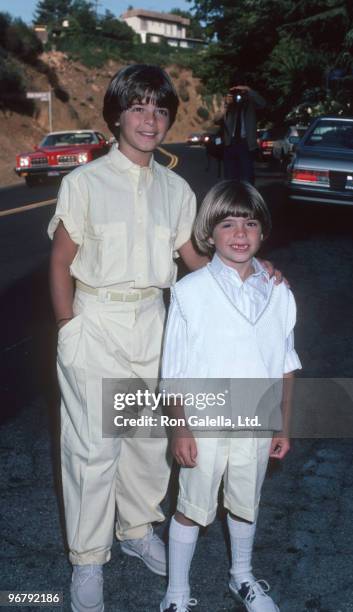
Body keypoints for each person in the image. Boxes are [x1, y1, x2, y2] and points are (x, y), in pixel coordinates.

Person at [48, 64, 207, 612]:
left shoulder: (177, 188)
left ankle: (137, 530)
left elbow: (193, 263)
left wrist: (251, 271)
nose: (150, 119)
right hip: (95, 321)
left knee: (143, 443)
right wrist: (69, 328)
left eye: (161, 110)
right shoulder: (84, 182)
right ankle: (87, 559)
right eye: (138, 107)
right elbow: (62, 261)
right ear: (116, 115)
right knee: (93, 447)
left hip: (154, 323)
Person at [160, 180, 301, 612]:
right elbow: (173, 372)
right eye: (227, 224)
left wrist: (283, 424)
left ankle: (241, 576)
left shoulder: (278, 290)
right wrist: (179, 428)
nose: (240, 234)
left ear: (262, 231)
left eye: (250, 224)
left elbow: (285, 363)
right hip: (203, 420)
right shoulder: (190, 292)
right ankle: (176, 595)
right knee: (192, 506)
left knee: (246, 501)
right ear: (209, 233)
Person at [221, 71, 266, 183]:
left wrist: (249, 90)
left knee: (247, 176)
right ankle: (232, 198)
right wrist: (226, 106)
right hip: (230, 143)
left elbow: (263, 104)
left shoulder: (250, 100)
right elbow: (216, 119)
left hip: (246, 143)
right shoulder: (228, 101)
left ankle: (247, 198)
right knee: (230, 177)